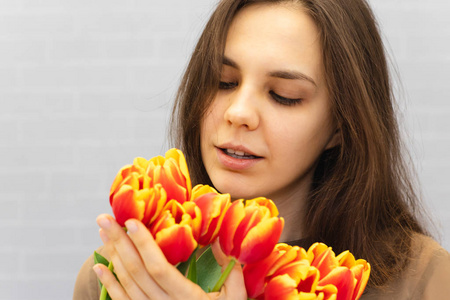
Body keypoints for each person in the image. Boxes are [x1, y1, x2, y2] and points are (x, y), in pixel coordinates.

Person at [73, 0, 450, 299]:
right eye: (222, 82)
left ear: (340, 125)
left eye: (283, 96)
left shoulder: (421, 280)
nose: (238, 113)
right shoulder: (121, 274)